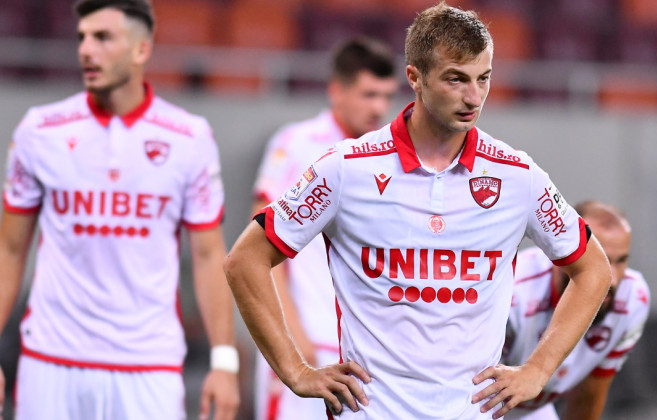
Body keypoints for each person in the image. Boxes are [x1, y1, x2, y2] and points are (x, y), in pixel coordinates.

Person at [224, 3, 611, 419]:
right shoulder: (345, 168)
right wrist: (295, 370)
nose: (473, 97)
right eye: (455, 79)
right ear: (415, 78)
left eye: (484, 79)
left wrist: (538, 369)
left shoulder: (518, 176)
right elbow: (244, 259)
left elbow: (595, 270)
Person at [0, 1, 239, 419]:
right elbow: (9, 249)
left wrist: (224, 362)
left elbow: (208, 256)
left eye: (103, 37)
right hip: (50, 360)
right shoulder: (39, 130)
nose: (86, 50)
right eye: (81, 38)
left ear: (141, 49)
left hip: (149, 366)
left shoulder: (190, 138)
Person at [250, 37, 398, 420]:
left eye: (386, 96)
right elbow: (259, 252)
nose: (379, 107)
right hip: (305, 345)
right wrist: (290, 339)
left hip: (365, 355)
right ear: (336, 90)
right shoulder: (297, 145)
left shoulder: (391, 156)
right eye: (368, 94)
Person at [502, 201, 650, 420]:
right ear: (560, 251)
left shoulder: (633, 298)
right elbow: (468, 386)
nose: (612, 278)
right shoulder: (512, 292)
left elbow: (587, 399)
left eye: (621, 261)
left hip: (530, 412)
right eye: (600, 261)